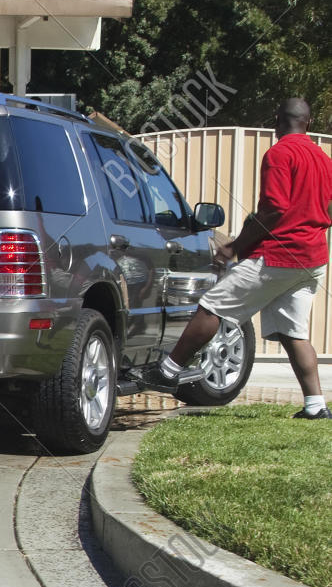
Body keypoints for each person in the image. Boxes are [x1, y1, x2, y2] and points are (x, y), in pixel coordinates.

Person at [142, 97, 332, 419]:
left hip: (277, 257)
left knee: (213, 305)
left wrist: (235, 247)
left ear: (277, 120)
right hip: (313, 260)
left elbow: (275, 209)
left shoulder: (279, 153)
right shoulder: (324, 159)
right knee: (294, 332)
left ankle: (170, 370)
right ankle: (315, 406)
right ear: (309, 123)